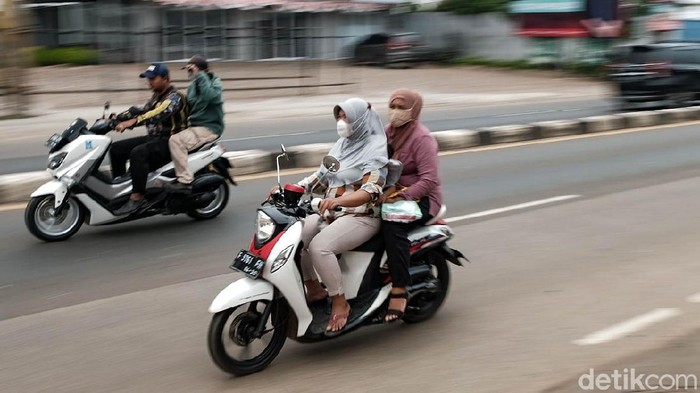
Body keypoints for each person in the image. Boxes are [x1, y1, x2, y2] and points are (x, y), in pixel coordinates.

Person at [273, 98, 388, 333]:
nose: (341, 122)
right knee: (295, 237)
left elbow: (371, 190)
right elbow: (320, 178)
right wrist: (289, 189)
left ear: (361, 120)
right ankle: (313, 287)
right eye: (339, 116)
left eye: (346, 117)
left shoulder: (375, 149)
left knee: (319, 248)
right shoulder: (341, 146)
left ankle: (340, 301)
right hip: (331, 212)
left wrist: (339, 200)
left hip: (361, 216)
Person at [377, 88, 443, 323]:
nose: (395, 112)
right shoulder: (387, 133)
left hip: (422, 199)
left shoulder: (422, 138)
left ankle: (400, 288)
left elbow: (429, 180)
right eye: (392, 107)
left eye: (401, 108)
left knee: (392, 224)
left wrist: (402, 196)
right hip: (390, 194)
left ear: (413, 111)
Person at [110, 63, 189, 215]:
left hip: (170, 141)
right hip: (154, 138)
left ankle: (137, 197)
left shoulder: (175, 97)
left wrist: (133, 122)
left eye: (153, 78)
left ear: (165, 79)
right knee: (116, 149)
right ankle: (121, 189)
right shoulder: (156, 97)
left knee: (138, 152)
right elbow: (141, 111)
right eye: (148, 78)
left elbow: (160, 112)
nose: (149, 81)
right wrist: (114, 119)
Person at [165, 55, 224, 193]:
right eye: (189, 70)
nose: (190, 73)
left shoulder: (215, 82)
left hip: (209, 127)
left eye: (192, 70)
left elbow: (210, 97)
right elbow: (187, 107)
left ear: (204, 70)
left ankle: (185, 181)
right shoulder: (193, 87)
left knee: (176, 141)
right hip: (195, 127)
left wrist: (200, 75)